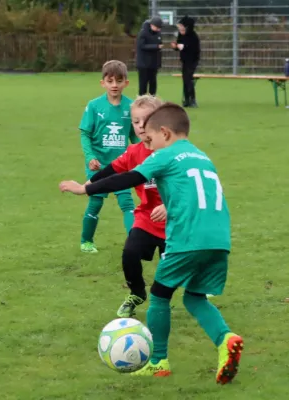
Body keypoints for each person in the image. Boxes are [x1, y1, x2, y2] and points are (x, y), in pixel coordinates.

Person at [59, 102, 243, 384]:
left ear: (166, 133)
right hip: (220, 239)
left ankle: (158, 362)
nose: (149, 145)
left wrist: (85, 188)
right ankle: (226, 339)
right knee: (194, 296)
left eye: (152, 138)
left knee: (159, 295)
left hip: (188, 238)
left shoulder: (166, 155)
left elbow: (129, 177)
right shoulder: (203, 157)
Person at [88, 95, 166, 317]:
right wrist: (88, 184)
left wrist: (170, 207)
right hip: (147, 217)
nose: (140, 126)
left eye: (146, 120)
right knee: (130, 252)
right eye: (135, 121)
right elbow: (113, 169)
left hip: (176, 221)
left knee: (169, 270)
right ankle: (137, 292)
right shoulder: (134, 152)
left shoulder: (172, 151)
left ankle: (195, 288)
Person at [78, 60, 139, 254]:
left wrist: (142, 154)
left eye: (119, 80)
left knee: (127, 203)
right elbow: (85, 133)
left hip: (122, 165)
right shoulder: (94, 106)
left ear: (126, 83)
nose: (114, 85)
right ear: (102, 83)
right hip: (98, 165)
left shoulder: (131, 107)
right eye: (110, 80)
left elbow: (136, 136)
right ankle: (86, 241)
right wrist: (90, 156)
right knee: (95, 201)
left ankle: (135, 243)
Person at [172, 16, 201, 108]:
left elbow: (194, 50)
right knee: (185, 79)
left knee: (188, 78)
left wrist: (184, 47)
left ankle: (192, 99)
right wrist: (176, 47)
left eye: (181, 26)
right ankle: (187, 100)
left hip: (192, 60)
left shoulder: (193, 37)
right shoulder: (181, 35)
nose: (180, 28)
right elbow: (179, 45)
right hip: (184, 60)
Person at [136, 16, 163, 96]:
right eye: (157, 27)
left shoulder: (158, 34)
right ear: (152, 25)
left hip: (154, 63)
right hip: (144, 63)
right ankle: (141, 101)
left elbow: (159, 43)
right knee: (143, 84)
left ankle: (153, 100)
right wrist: (156, 46)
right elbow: (142, 46)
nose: (159, 30)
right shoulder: (143, 33)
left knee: (153, 83)